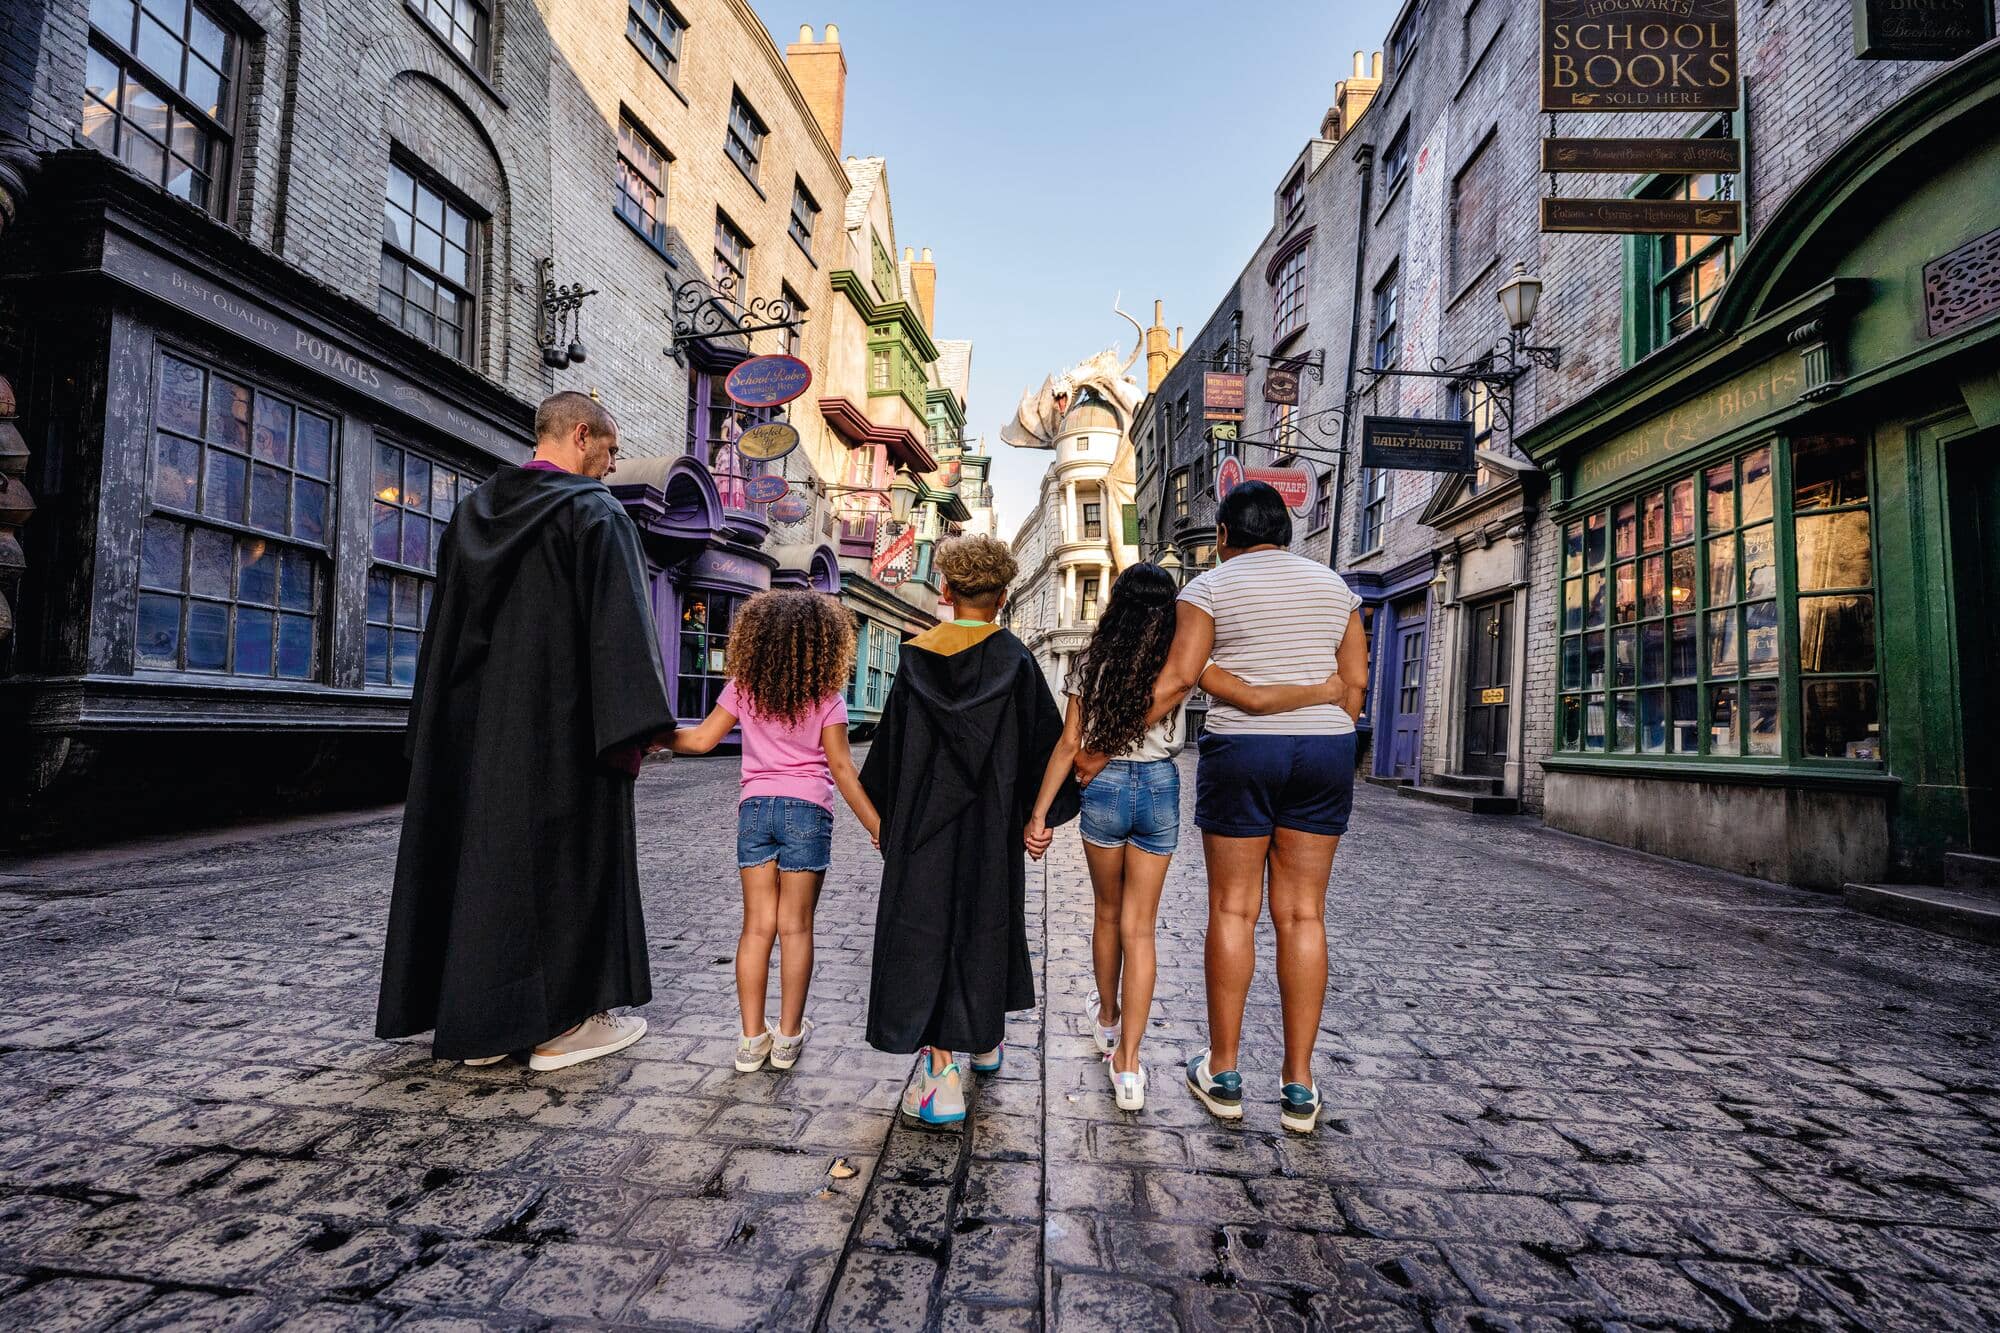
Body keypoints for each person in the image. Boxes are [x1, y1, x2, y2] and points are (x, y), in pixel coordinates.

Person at [376, 391, 674, 1072]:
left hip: (474, 735)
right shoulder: (594, 513)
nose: (612, 464)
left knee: (483, 867)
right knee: (563, 867)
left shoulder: (472, 513)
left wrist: (434, 735)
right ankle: (561, 1027)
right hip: (563, 736)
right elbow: (620, 633)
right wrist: (637, 730)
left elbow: (443, 633)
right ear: (580, 435)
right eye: (610, 450)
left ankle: (482, 1028)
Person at [1029, 563, 1354, 1113]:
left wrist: (1039, 815)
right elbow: (1253, 698)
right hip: (1159, 788)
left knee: (1107, 913)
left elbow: (1068, 744)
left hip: (1104, 788)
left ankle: (1107, 1020)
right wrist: (1324, 690)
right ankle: (1129, 1065)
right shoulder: (1184, 662)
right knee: (1141, 927)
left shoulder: (1090, 662)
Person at [1138, 481, 1369, 1133]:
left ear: (1223, 536)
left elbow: (1178, 679)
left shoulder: (1209, 587)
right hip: (1324, 749)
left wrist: (1104, 742)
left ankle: (1225, 1072)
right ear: (1287, 535)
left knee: (1233, 908)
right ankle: (1299, 1085)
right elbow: (1354, 686)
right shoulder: (1336, 589)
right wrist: (1320, 722)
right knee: (1303, 913)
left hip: (1242, 748)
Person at [861, 535, 1078, 1126]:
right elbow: (1045, 747)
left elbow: (890, 754)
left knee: (927, 930)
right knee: (985, 922)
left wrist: (886, 821)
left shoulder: (916, 659)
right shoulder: (1018, 661)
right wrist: (1037, 818)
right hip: (992, 825)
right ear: (1004, 597)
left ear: (946, 591)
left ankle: (940, 1077)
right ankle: (983, 1040)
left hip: (925, 826)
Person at [664, 590, 881, 1074]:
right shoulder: (827, 698)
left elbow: (699, 740)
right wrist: (878, 827)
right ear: (824, 644)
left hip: (755, 810)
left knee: (757, 927)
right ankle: (787, 1038)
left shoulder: (743, 689)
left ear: (755, 640)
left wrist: (649, 735)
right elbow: (843, 770)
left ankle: (750, 1040)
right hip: (807, 811)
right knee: (796, 927)